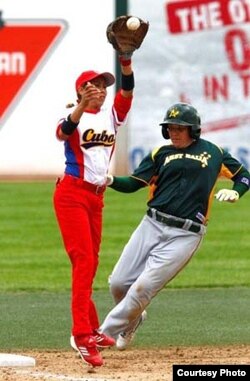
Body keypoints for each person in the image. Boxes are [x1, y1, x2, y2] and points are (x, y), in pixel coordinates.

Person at [99, 102, 250, 350]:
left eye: (180, 128)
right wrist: (110, 180)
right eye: (170, 128)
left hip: (186, 233)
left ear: (194, 130)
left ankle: (101, 334)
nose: (174, 133)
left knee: (143, 287)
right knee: (118, 283)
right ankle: (133, 320)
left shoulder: (215, 153)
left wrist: (237, 192)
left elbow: (244, 176)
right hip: (151, 224)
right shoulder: (160, 153)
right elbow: (135, 183)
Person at [53, 52, 135, 367]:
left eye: (102, 85)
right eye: (93, 85)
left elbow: (126, 93)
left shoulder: (111, 115)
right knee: (83, 261)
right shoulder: (72, 114)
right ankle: (82, 335)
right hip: (72, 194)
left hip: (97, 198)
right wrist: (79, 107)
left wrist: (126, 62)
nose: (100, 89)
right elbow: (62, 133)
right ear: (80, 91)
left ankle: (92, 328)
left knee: (90, 263)